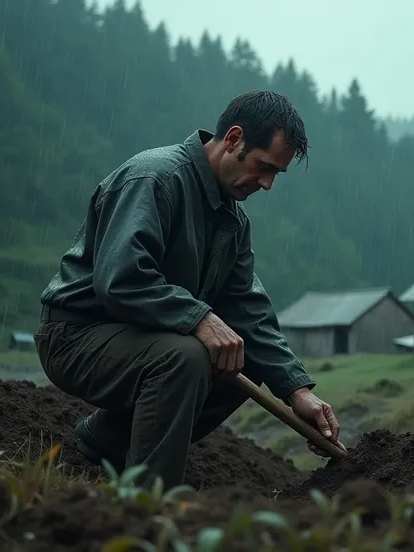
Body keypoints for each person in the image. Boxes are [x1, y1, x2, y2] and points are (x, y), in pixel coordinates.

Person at [33, 90, 345, 489]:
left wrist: (297, 390)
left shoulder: (233, 219)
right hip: (76, 335)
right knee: (186, 358)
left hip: (141, 337)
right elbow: (121, 279)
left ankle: (108, 441)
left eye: (276, 175)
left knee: (241, 357)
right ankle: (148, 502)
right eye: (264, 167)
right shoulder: (154, 178)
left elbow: (249, 311)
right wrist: (198, 317)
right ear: (233, 139)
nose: (267, 184)